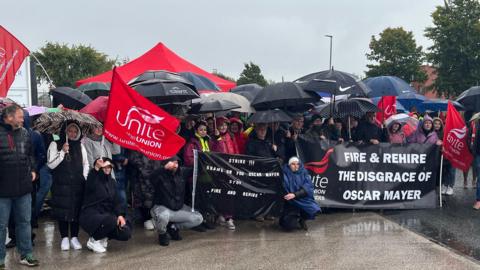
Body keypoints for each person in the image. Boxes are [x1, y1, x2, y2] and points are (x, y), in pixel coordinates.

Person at [0, 104, 39, 267]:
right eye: (20, 116)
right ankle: (0, 259)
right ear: (9, 117)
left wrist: (33, 169)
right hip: (2, 190)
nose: (23, 119)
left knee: (25, 222)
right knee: (1, 226)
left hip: (23, 188)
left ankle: (26, 254)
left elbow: (30, 155)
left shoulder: (25, 133)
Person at [47, 121, 89, 251]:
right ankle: (64, 237)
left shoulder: (80, 146)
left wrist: (84, 176)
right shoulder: (55, 144)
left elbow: (86, 163)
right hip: (61, 184)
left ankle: (74, 237)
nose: (72, 134)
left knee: (76, 209)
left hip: (77, 184)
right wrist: (62, 152)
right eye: (70, 131)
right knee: (63, 209)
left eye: (75, 131)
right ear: (65, 131)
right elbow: (50, 164)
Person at [80, 158, 131, 253]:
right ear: (100, 168)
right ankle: (94, 240)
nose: (107, 169)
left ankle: (103, 237)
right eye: (105, 167)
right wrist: (96, 167)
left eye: (109, 167)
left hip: (106, 214)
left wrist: (120, 215)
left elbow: (117, 201)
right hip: (91, 214)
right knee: (111, 220)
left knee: (125, 230)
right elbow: (90, 181)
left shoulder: (112, 182)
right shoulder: (94, 178)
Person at [150, 156, 203, 246]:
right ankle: (162, 234)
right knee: (163, 216)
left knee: (198, 218)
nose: (175, 165)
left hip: (178, 207)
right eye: (172, 162)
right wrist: (164, 168)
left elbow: (197, 170)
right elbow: (151, 177)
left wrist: (202, 158)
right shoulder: (160, 174)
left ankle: (173, 227)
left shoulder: (182, 172)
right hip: (162, 207)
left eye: (177, 163)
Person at [211, 117, 238, 230]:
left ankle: (228, 217)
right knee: (221, 194)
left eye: (225, 125)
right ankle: (223, 216)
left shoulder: (230, 136)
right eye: (221, 125)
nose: (223, 127)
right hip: (220, 170)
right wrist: (218, 138)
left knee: (230, 194)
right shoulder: (212, 138)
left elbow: (236, 150)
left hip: (231, 169)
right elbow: (219, 151)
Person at [279, 157, 321, 232]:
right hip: (290, 202)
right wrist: (291, 195)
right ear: (289, 165)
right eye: (293, 164)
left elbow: (308, 187)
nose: (296, 166)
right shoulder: (284, 173)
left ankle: (302, 219)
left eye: (297, 164)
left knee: (312, 208)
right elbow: (284, 187)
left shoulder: (304, 172)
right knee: (288, 226)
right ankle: (284, 220)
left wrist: (295, 194)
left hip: (301, 198)